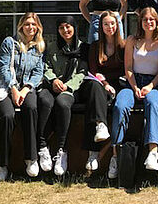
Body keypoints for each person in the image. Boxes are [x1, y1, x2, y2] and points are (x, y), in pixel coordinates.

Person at [37, 16, 108, 176]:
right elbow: (46, 66)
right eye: (61, 28)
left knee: (62, 103)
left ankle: (62, 151)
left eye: (68, 27)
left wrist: (68, 86)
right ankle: (43, 147)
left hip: (72, 89)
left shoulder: (83, 48)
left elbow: (83, 71)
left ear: (74, 28)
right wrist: (54, 79)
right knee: (45, 101)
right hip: (53, 86)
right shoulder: (52, 47)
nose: (65, 31)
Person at [109, 7, 158, 178]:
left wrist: (150, 86)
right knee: (120, 105)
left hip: (153, 83)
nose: (148, 22)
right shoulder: (132, 40)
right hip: (131, 83)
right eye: (145, 19)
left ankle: (153, 152)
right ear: (140, 22)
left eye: (151, 19)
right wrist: (134, 86)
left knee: (154, 103)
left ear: (156, 22)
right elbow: (128, 68)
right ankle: (115, 155)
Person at [0, 12, 45, 181]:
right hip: (6, 88)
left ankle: (31, 158)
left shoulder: (39, 46)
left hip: (27, 89)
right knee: (8, 116)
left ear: (38, 27)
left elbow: (38, 72)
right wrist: (14, 89)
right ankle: (2, 163)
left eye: (33, 24)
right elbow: (2, 68)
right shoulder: (10, 43)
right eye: (27, 24)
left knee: (31, 108)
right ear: (21, 26)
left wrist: (25, 89)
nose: (30, 27)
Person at [86, 10, 126, 173]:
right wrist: (105, 82)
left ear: (117, 25)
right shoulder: (95, 46)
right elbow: (94, 71)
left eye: (112, 23)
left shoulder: (123, 46)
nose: (109, 27)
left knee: (119, 108)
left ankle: (115, 157)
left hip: (120, 85)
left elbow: (127, 69)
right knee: (93, 96)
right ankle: (93, 151)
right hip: (101, 85)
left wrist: (110, 80)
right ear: (100, 27)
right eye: (106, 24)